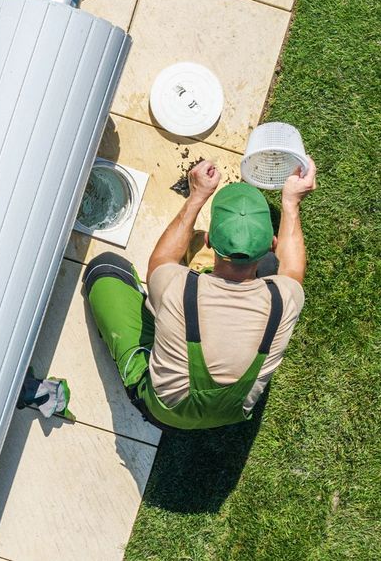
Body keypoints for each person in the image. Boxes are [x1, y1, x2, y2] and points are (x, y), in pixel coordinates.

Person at [83, 158, 317, 430]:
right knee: (269, 268)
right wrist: (291, 202)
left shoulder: (178, 288)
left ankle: (138, 375)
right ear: (272, 243)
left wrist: (197, 196)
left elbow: (163, 258)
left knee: (106, 268)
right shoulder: (285, 299)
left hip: (165, 412)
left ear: (208, 241)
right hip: (233, 412)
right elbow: (293, 266)